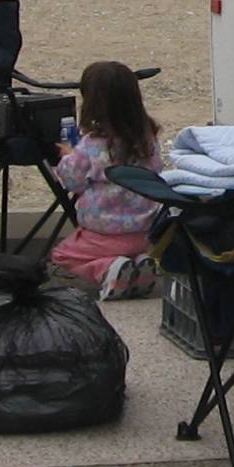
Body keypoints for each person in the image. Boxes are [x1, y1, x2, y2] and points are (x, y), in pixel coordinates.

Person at [48, 60, 162, 299]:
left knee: (62, 255)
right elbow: (156, 171)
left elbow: (72, 181)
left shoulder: (91, 145)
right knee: (129, 252)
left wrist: (67, 156)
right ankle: (139, 265)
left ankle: (106, 269)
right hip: (144, 231)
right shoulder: (147, 138)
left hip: (103, 234)